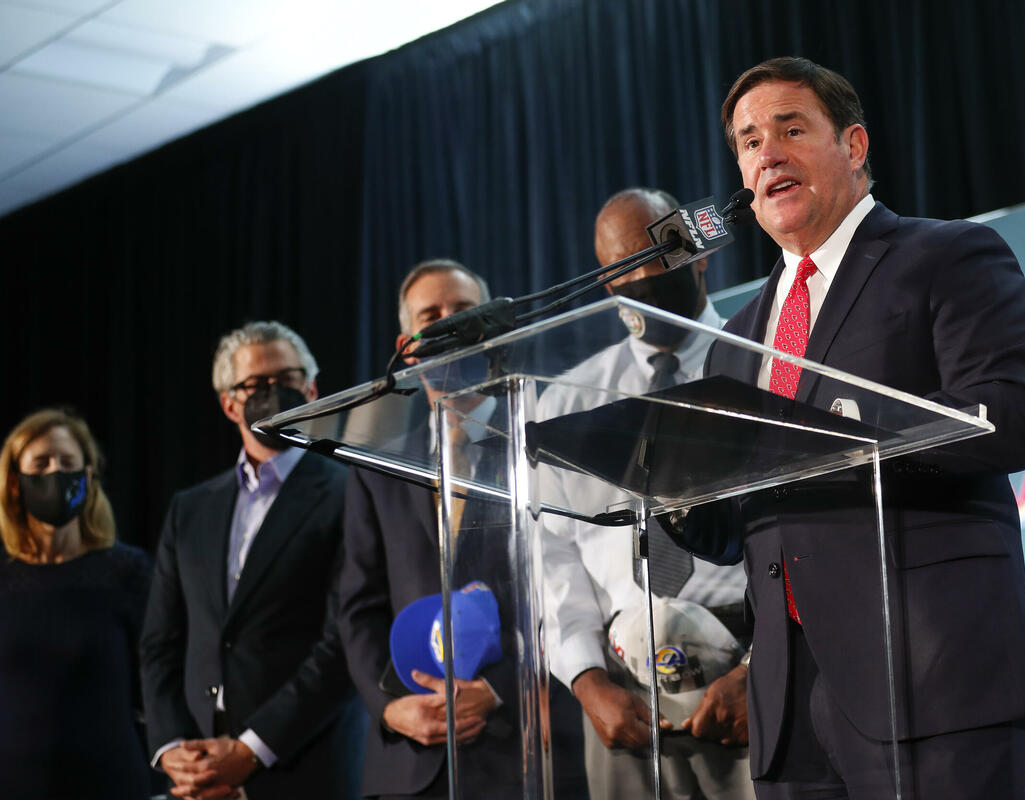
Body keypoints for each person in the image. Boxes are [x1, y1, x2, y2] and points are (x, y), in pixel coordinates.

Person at [666, 57, 1025, 799]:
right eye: (750, 141)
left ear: (853, 146)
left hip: (930, 673)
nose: (768, 154)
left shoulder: (946, 256)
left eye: (790, 129)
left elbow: (1012, 416)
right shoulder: (736, 340)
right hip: (788, 703)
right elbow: (745, 524)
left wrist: (843, 426)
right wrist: (680, 497)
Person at [338, 259, 587, 799]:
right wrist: (393, 707)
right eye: (431, 316)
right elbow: (358, 607)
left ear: (491, 328)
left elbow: (575, 588)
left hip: (527, 744)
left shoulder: (541, 442)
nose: (449, 323)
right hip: (414, 760)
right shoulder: (377, 468)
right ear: (406, 348)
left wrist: (500, 690)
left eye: (463, 311)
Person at [538, 188, 755, 799]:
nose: (640, 279)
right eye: (621, 268)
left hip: (747, 669)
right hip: (622, 686)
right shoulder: (569, 401)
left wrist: (762, 668)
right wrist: (586, 679)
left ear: (699, 252)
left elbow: (802, 538)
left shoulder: (760, 366)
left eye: (656, 256)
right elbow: (552, 555)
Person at [140, 321, 362, 800]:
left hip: (305, 768)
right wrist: (173, 747)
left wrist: (250, 750)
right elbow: (160, 643)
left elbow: (343, 641)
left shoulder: (350, 492)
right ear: (229, 403)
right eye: (256, 385)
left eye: (287, 379)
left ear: (311, 389)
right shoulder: (189, 509)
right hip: (197, 774)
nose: (274, 393)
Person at [0, 408, 155, 800]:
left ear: (87, 476)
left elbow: (159, 680)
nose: (56, 472)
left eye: (67, 463)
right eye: (41, 463)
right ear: (15, 482)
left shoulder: (129, 571)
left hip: (111, 783)